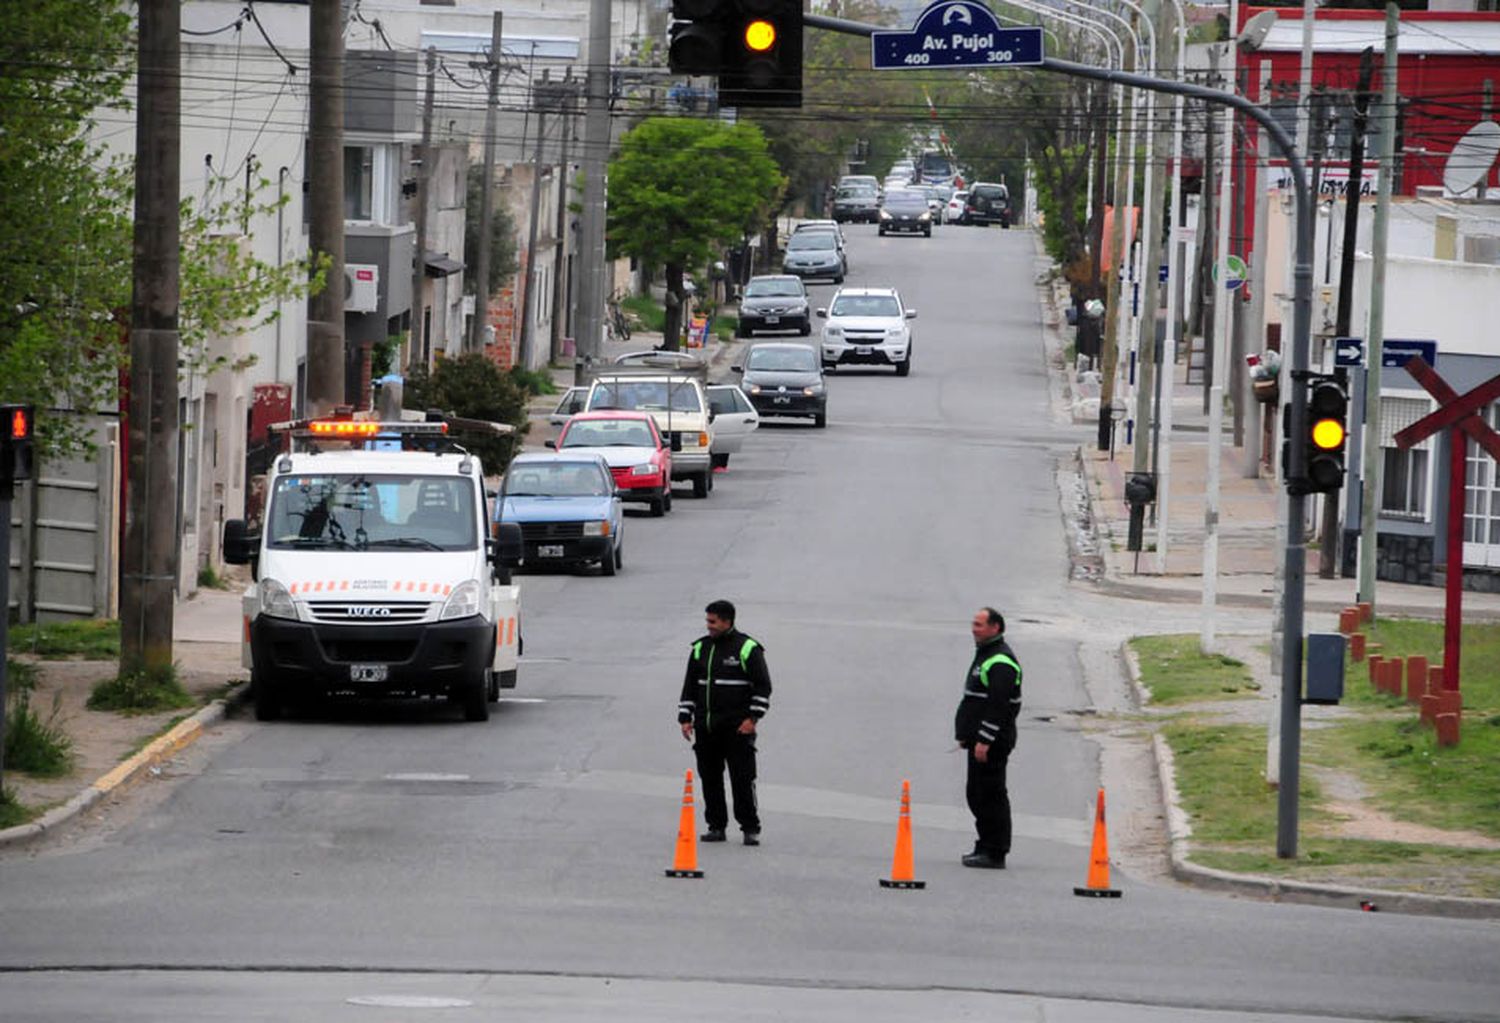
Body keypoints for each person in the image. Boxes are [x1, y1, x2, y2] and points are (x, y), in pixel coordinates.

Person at [678, 599, 772, 846]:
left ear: (727, 621)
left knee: (742, 779)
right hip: (707, 728)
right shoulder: (700, 648)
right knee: (710, 779)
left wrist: (753, 719)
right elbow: (689, 687)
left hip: (738, 730)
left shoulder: (747, 648)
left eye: (713, 621)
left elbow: (763, 687)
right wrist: (685, 719)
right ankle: (716, 826)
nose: (708, 626)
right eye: (707, 621)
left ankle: (750, 828)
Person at [954, 607, 1022, 869]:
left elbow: (999, 706)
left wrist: (984, 740)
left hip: (992, 743)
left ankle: (995, 851)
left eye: (980, 624)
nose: (974, 628)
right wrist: (965, 736)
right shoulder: (987, 655)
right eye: (973, 623)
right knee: (976, 793)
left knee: (990, 794)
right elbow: (975, 700)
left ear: (995, 628)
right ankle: (984, 843)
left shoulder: (1001, 662)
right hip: (978, 741)